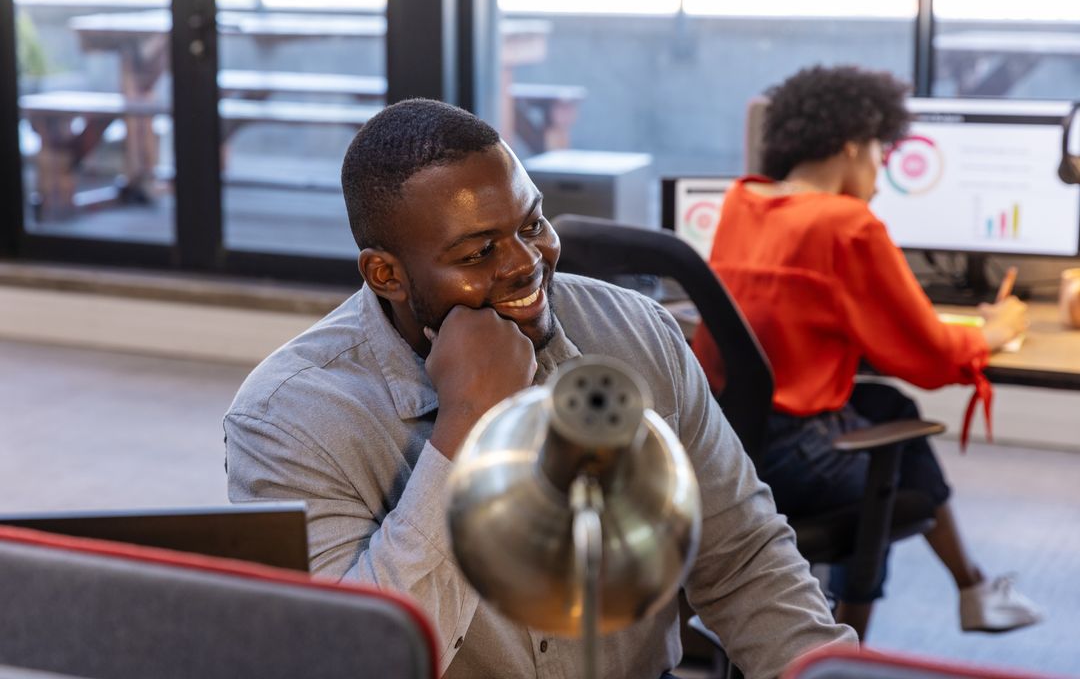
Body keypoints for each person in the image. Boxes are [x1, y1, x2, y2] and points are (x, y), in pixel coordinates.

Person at [225, 98, 856, 678]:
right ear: (385, 273)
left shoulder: (636, 331)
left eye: (532, 224)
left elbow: (744, 557)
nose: (526, 263)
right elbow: (359, 661)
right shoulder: (289, 417)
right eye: (478, 254)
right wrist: (468, 423)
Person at [691, 65, 1042, 639]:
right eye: (882, 150)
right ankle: (850, 644)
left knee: (891, 408)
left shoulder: (743, 200)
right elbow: (928, 355)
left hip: (728, 437)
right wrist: (993, 332)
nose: (883, 170)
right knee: (901, 476)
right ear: (853, 145)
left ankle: (971, 587)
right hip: (795, 453)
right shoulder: (846, 223)